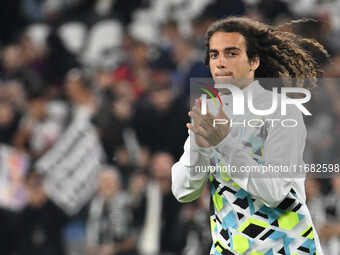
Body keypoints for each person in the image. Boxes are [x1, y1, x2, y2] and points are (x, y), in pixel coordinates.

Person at [172, 17, 329, 254]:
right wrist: (200, 148)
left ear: (253, 61)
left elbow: (274, 192)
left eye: (231, 53)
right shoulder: (209, 112)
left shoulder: (281, 110)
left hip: (287, 247)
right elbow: (184, 192)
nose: (220, 63)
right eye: (214, 55)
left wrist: (224, 143)